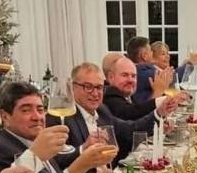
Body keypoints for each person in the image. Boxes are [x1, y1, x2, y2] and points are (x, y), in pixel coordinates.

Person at [49, 62, 177, 159]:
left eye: (99, 87)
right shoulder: (60, 118)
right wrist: (83, 149)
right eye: (88, 87)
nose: (95, 93)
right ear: (72, 87)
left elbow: (130, 129)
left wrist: (159, 113)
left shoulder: (102, 110)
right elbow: (58, 162)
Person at [102, 56, 183, 120]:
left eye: (133, 76)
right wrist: (159, 95)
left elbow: (141, 116)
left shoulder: (129, 95)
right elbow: (131, 114)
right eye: (124, 75)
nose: (130, 80)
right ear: (111, 77)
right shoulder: (110, 95)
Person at [126, 36, 172, 103]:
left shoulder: (138, 70)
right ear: (144, 56)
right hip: (145, 111)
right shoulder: (143, 72)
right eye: (150, 50)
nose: (152, 53)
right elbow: (171, 77)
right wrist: (189, 64)